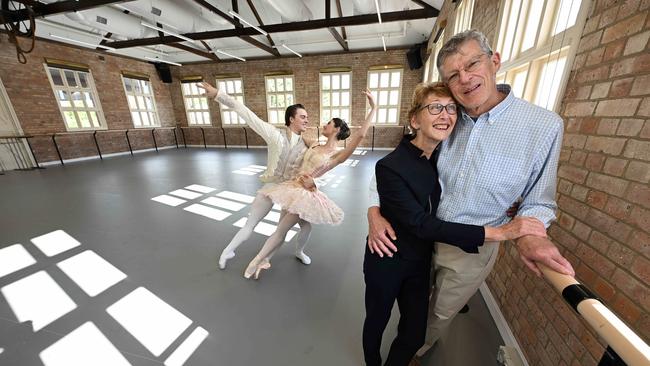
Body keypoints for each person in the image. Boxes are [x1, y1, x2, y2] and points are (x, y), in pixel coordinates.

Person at [366, 30, 575, 358]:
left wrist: (532, 234)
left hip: (470, 247)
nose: (465, 79)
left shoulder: (543, 126)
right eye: (453, 75)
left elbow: (540, 199)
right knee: (414, 304)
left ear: (494, 62)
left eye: (473, 64)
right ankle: (407, 339)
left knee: (437, 315)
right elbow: (400, 165)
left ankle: (412, 353)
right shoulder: (449, 116)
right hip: (420, 236)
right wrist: (374, 210)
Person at [243, 90, 378, 280]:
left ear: (337, 130)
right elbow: (292, 134)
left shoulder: (337, 155)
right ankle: (293, 253)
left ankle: (256, 261)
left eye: (329, 123)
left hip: (304, 195)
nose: (324, 124)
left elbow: (361, 135)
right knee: (304, 227)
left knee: (281, 230)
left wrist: (374, 108)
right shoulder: (314, 142)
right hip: (291, 188)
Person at [199, 82, 315, 269]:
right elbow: (245, 111)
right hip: (271, 187)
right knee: (250, 224)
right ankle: (227, 251)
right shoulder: (274, 135)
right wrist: (218, 95)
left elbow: (320, 162)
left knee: (300, 227)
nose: (307, 120)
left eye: (307, 117)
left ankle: (295, 252)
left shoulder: (307, 144)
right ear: (291, 119)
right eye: (303, 117)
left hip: (290, 192)